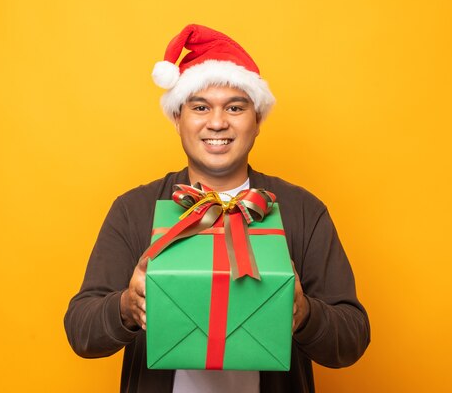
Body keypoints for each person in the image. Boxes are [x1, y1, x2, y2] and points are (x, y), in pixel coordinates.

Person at [64, 24, 370, 393]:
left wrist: (306, 315)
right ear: (178, 119)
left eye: (236, 107)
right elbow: (80, 330)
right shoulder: (135, 210)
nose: (217, 122)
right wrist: (126, 308)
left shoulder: (303, 210)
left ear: (257, 120)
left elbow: (352, 336)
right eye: (200, 107)